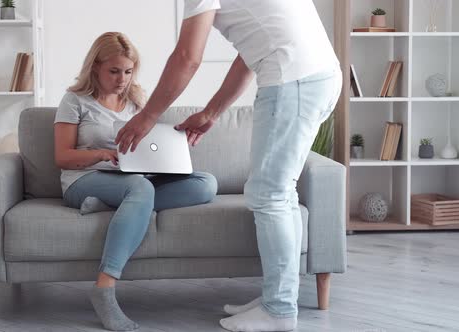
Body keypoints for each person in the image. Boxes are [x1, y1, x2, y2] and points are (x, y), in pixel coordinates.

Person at [114, 1, 342, 331]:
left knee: (270, 196)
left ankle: (279, 309)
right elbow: (250, 54)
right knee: (281, 194)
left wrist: (147, 116)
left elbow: (187, 58)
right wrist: (211, 113)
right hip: (318, 77)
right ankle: (277, 298)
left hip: (292, 81)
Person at [53, 31, 218, 331]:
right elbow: (62, 157)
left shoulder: (137, 100)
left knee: (205, 184)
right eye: (114, 71)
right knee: (139, 189)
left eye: (128, 71)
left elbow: (148, 145)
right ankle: (104, 288)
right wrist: (100, 154)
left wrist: (168, 154)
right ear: (95, 67)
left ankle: (119, 206)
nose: (122, 79)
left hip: (130, 179)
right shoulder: (74, 100)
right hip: (84, 180)